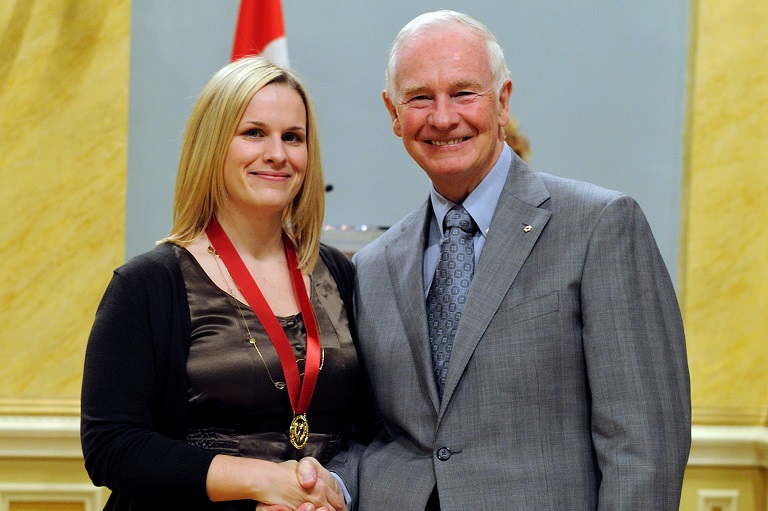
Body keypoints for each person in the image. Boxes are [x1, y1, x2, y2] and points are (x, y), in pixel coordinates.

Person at [350, 10, 691, 510]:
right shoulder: (373, 266)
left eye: (464, 93)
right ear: (393, 112)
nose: (443, 118)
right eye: (420, 97)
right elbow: (369, 434)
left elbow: (645, 447)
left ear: (503, 100)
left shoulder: (600, 227)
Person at [81, 56, 367, 511]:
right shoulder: (148, 285)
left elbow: (371, 428)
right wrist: (262, 482)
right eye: (254, 133)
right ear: (213, 144)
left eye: (292, 137)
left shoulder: (340, 274)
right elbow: (113, 447)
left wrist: (326, 489)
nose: (277, 153)